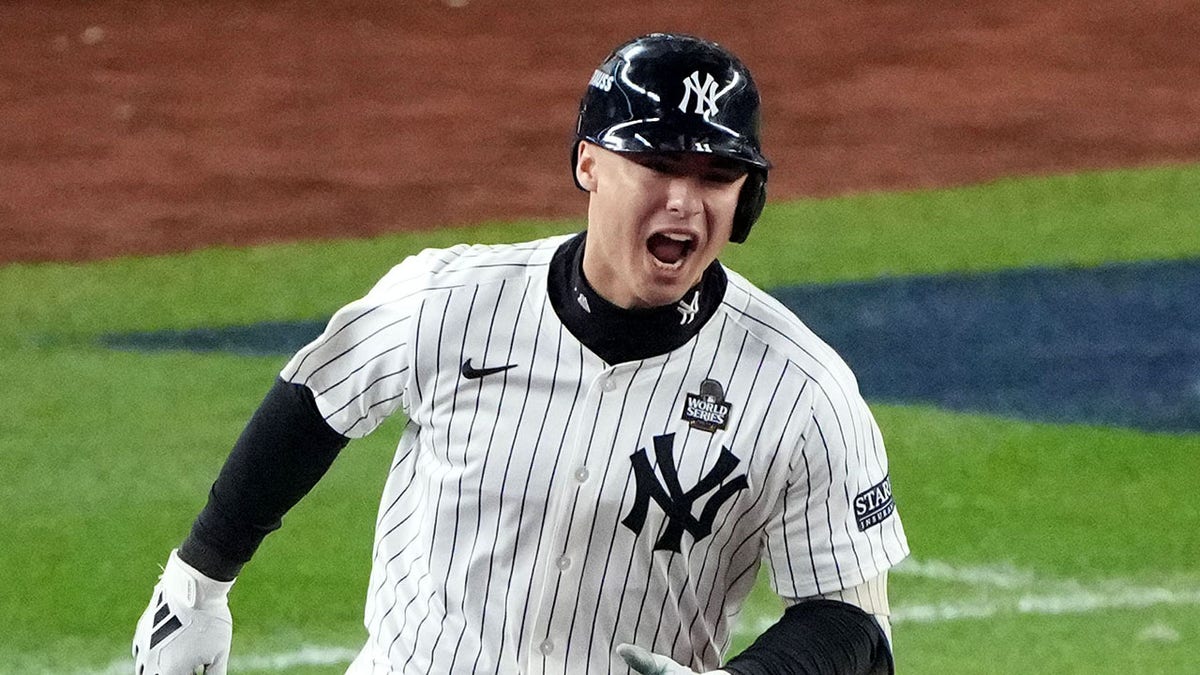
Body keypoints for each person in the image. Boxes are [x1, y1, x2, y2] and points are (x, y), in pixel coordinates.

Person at [132, 32, 909, 675]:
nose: (684, 199)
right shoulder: (448, 301)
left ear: (748, 200)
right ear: (588, 164)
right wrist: (198, 580)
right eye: (659, 166)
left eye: (716, 175)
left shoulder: (801, 391)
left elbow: (853, 619)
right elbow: (313, 404)